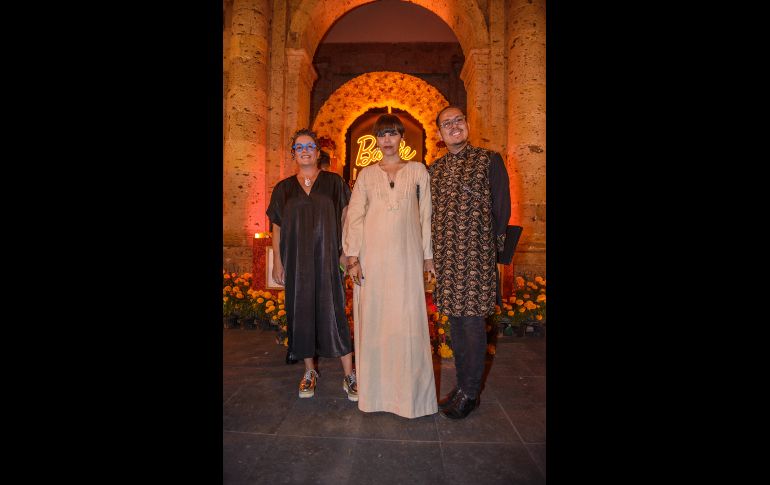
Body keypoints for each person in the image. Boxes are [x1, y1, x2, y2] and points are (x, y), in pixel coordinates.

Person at [343, 114, 437, 419]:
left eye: (392, 134)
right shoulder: (367, 175)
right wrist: (352, 257)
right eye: (381, 135)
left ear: (401, 138)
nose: (387, 140)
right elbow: (355, 216)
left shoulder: (418, 171)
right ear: (377, 139)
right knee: (375, 321)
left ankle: (411, 399)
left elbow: (426, 216)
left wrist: (427, 255)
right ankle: (375, 396)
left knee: (407, 322)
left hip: (407, 259)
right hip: (374, 259)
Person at [430, 106, 511, 419]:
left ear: (466, 124)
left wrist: (493, 254)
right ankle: (463, 387)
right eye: (447, 124)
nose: (453, 127)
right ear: (439, 132)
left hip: (477, 259)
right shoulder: (435, 169)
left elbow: (501, 209)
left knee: (473, 324)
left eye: (458, 121)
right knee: (456, 324)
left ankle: (470, 392)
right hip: (447, 261)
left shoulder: (488, 160)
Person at [266, 128, 358, 401]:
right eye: (299, 147)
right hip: (297, 264)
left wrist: (346, 252)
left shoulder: (334, 183)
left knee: (336, 314)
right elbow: (277, 228)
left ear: (318, 153)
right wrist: (277, 262)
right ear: (293, 154)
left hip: (329, 259)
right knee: (301, 315)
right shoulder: (283, 189)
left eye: (310, 146)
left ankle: (349, 375)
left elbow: (346, 220)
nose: (304, 150)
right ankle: (309, 372)